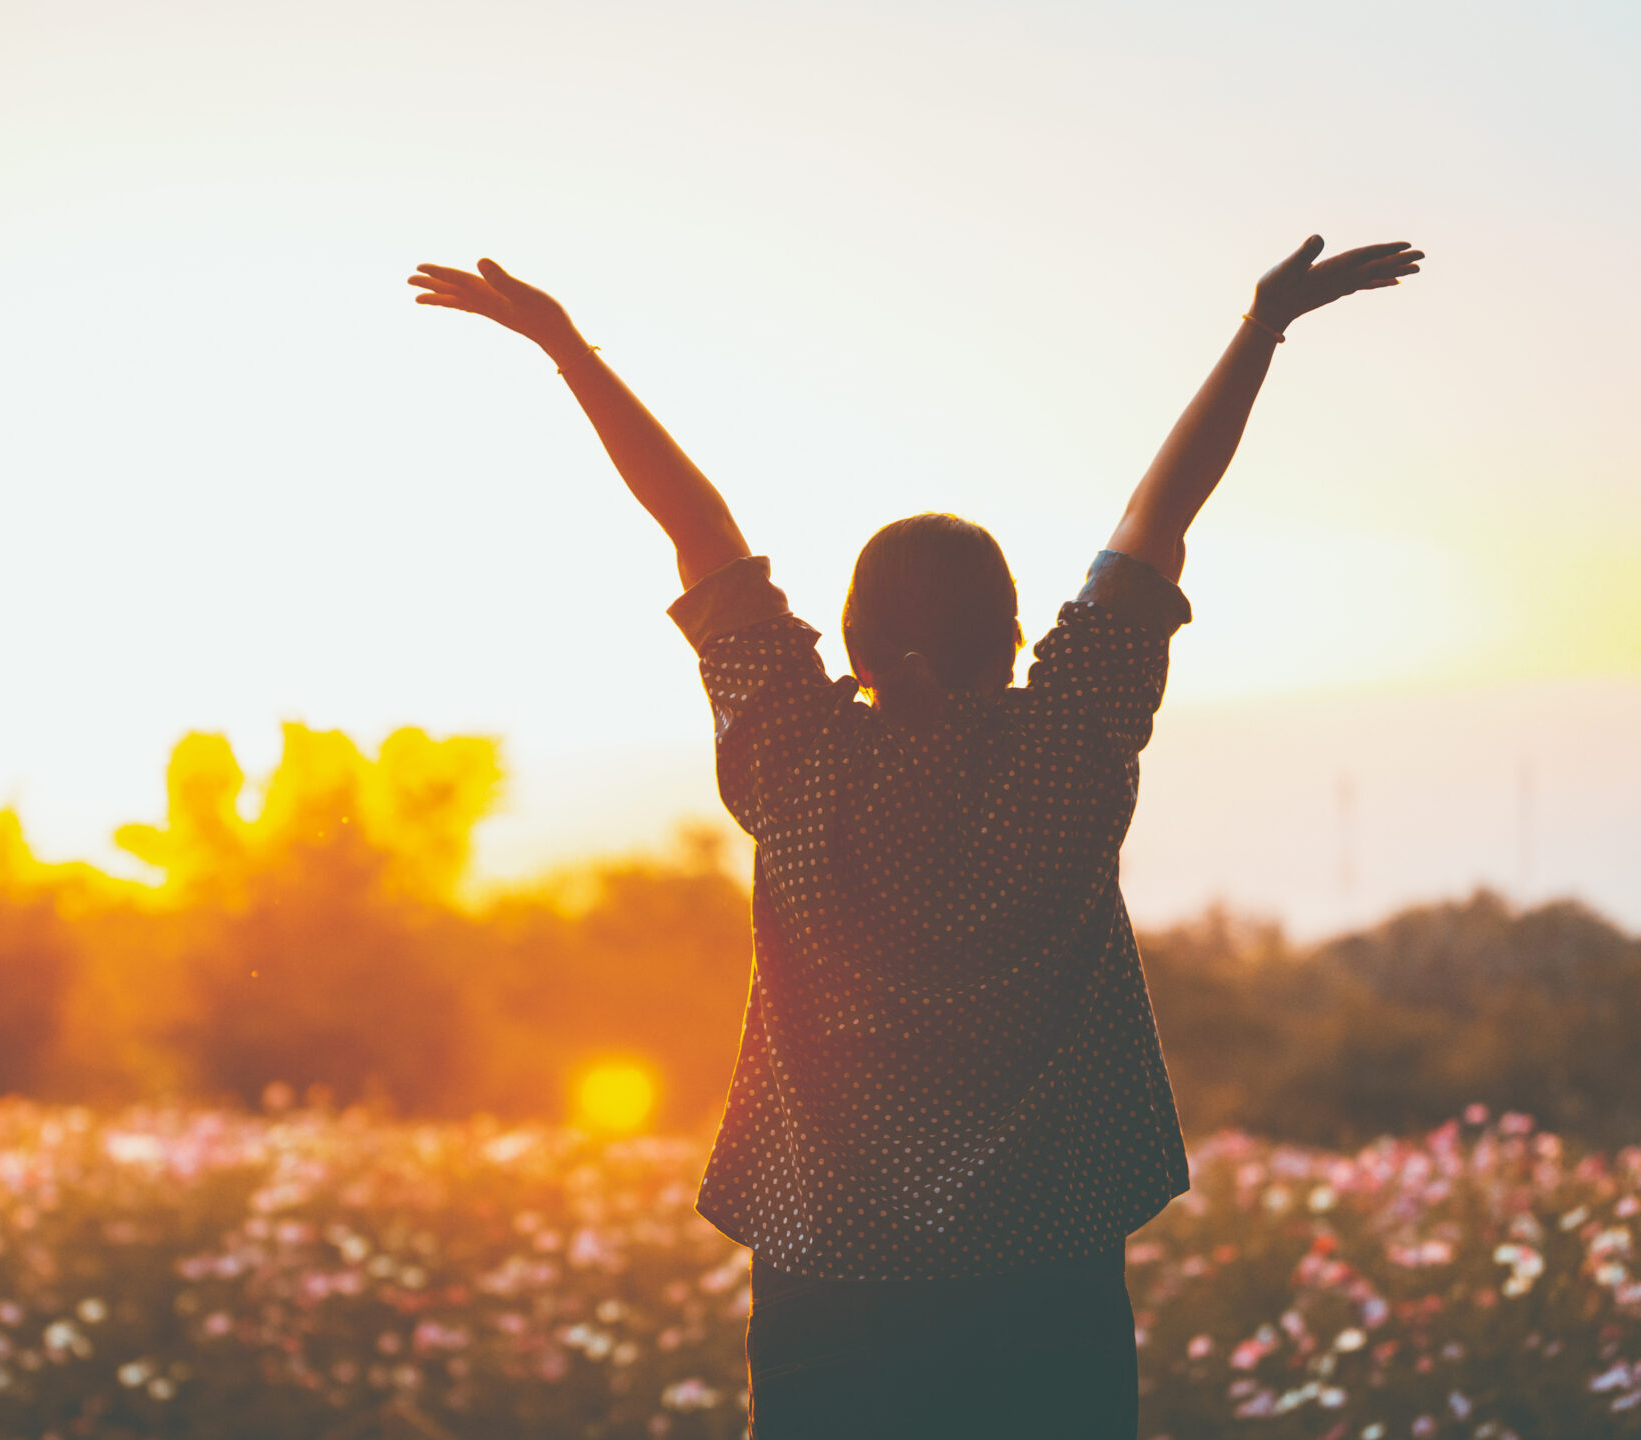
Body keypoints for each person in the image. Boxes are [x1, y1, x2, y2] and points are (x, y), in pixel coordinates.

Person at [410, 234, 1423, 1437]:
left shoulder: (791, 754)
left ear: (846, 639)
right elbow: (1161, 521)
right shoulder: (1072, 745)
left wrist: (566, 351)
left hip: (827, 1272)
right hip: (1046, 1263)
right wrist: (1260, 330)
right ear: (1010, 636)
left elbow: (697, 529)